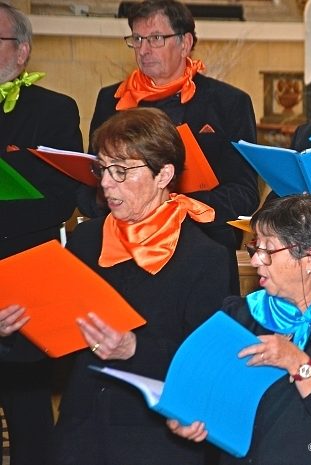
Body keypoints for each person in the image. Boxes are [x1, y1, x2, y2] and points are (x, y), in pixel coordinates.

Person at [42, 107, 230, 465]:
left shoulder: (205, 256)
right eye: (102, 169)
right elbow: (57, 331)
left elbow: (208, 364)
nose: (106, 184)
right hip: (79, 431)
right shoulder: (87, 238)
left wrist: (134, 349)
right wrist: (15, 329)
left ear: (164, 175)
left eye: (121, 171)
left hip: (157, 438)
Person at [168, 194, 311, 465]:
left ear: (310, 257)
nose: (256, 261)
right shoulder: (240, 315)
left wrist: (297, 362)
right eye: (255, 248)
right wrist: (186, 416)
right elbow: (205, 392)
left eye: (268, 251)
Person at [79, 0, 258, 294]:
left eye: (155, 39)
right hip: (122, 249)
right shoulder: (111, 100)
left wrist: (177, 208)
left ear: (185, 42)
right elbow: (93, 180)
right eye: (136, 39)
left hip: (202, 249)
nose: (143, 49)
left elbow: (245, 192)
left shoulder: (229, 102)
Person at [0, 3, 82, 464]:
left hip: (28, 281)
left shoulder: (54, 110)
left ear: (23, 50)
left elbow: (59, 200)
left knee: (30, 421)